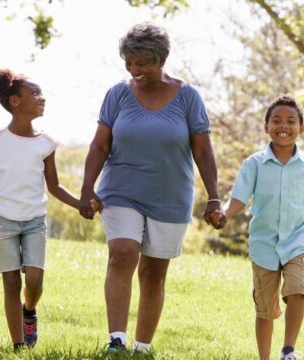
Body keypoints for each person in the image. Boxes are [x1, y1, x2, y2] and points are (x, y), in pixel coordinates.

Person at [78, 22, 226, 354]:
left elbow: (202, 151)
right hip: (121, 190)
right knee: (122, 254)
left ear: (160, 60)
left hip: (170, 197)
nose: (134, 70)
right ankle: (116, 341)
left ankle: (142, 347)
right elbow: (99, 146)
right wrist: (87, 188)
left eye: (141, 63)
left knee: (153, 273)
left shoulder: (188, 98)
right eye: (129, 63)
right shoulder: (117, 94)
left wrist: (214, 197)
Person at [0, 69, 87, 350]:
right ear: (15, 101)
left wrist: (81, 203)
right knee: (11, 282)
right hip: (3, 221)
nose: (42, 98)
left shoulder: (47, 143)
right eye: (35, 93)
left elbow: (55, 187)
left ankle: (29, 310)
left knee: (34, 281)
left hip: (35, 220)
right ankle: (18, 345)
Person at [217, 95, 304, 360]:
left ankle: (288, 350)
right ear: (266, 127)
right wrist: (224, 214)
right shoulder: (254, 163)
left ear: (302, 127)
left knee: (298, 290)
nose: (283, 125)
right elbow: (239, 199)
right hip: (264, 244)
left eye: (290, 121)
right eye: (276, 120)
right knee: (265, 308)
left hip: (298, 240)